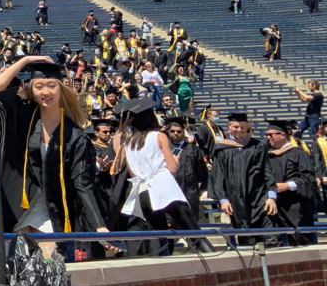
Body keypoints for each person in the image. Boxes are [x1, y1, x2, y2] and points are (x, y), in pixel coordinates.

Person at [0, 56, 115, 255]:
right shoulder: (24, 116)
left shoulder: (75, 136)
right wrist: (26, 60)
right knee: (20, 268)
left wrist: (98, 225)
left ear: (61, 89)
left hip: (52, 209)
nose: (45, 92)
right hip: (18, 207)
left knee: (49, 266)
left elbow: (83, 184)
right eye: (38, 86)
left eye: (51, 86)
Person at [119, 99, 212, 256]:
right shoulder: (158, 136)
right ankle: (212, 260)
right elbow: (172, 167)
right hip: (164, 188)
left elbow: (132, 174)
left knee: (159, 233)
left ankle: (164, 262)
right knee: (192, 229)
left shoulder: (128, 143)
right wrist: (175, 160)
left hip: (142, 190)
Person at [208, 112, 273, 244]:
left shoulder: (257, 145)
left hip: (259, 199)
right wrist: (223, 199)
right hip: (235, 201)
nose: (239, 130)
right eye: (236, 127)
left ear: (248, 127)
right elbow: (218, 175)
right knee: (246, 240)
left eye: (243, 127)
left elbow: (267, 172)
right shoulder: (222, 148)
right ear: (229, 126)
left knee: (270, 238)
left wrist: (271, 196)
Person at [263, 119, 316, 245]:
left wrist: (287, 186)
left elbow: (308, 179)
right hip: (275, 205)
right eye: (267, 135)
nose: (268, 138)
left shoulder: (298, 154)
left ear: (282, 135)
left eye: (271, 135)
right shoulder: (268, 155)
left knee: (298, 240)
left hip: (295, 207)